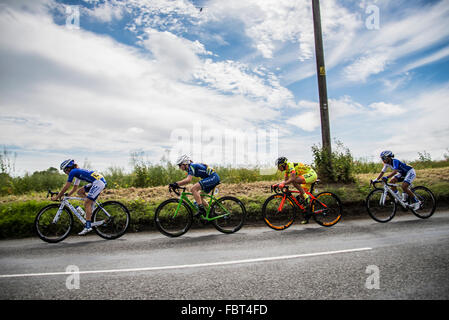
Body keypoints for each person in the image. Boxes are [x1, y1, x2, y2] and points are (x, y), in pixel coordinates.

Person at [52, 159, 107, 235]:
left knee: (86, 203)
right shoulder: (77, 172)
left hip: (98, 182)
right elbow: (75, 188)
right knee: (80, 192)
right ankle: (91, 207)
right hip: (97, 181)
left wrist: (57, 196)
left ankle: (88, 227)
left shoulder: (73, 172)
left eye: (64, 171)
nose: (65, 173)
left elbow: (66, 186)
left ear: (68, 168)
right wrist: (67, 195)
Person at [274, 157, 318, 223]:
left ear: (283, 165)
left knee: (294, 180)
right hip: (305, 176)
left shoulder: (290, 166)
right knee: (300, 198)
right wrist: (277, 184)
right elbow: (286, 181)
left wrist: (283, 183)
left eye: (279, 166)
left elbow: (292, 179)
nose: (278, 168)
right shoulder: (287, 170)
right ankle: (307, 216)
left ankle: (306, 196)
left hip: (311, 174)